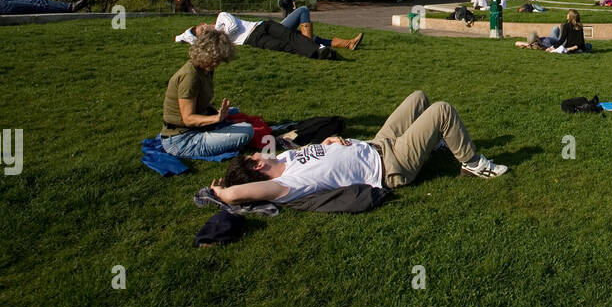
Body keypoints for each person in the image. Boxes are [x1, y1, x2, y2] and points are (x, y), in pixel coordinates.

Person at [213, 90, 507, 202]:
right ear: (258, 166)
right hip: (391, 165)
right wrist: (223, 194)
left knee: (419, 97)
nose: (257, 153)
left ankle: (434, 145)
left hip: (376, 143)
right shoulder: (288, 184)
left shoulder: (285, 159)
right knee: (442, 110)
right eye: (253, 157)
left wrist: (328, 141)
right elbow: (243, 193)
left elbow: (320, 154)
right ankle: (472, 164)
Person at [160, 28, 255, 158]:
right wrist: (216, 118)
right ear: (203, 53)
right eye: (214, 59)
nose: (216, 63)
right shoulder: (190, 77)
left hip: (193, 130)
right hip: (182, 140)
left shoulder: (206, 69)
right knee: (247, 131)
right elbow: (188, 119)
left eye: (219, 60)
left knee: (234, 112)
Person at [174, 11, 350, 59]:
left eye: (203, 28)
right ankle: (322, 52)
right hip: (253, 39)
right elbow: (187, 39)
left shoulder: (221, 17)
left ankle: (321, 48)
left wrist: (218, 33)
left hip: (261, 26)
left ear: (204, 24)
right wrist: (183, 38)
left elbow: (234, 27)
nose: (205, 30)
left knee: (290, 36)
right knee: (286, 47)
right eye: (203, 33)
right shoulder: (216, 39)